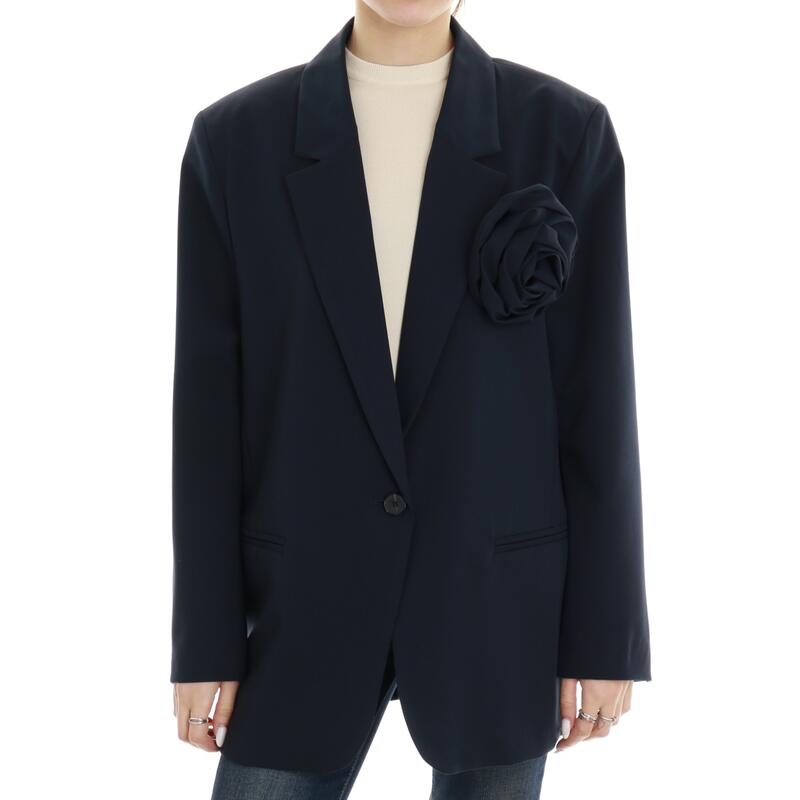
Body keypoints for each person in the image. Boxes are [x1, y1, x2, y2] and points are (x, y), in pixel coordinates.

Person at [171, 1, 651, 797]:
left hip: (499, 603)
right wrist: (205, 643)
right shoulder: (234, 142)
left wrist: (606, 637)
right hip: (302, 604)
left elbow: (597, 407)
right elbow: (207, 423)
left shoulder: (565, 134)